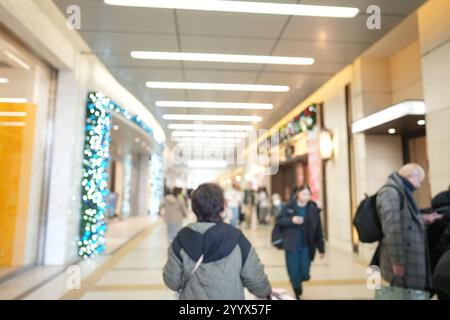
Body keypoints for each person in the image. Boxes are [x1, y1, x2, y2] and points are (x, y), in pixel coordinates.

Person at [163, 183, 272, 300]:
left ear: (194, 208)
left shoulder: (182, 238)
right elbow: (257, 282)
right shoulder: (237, 238)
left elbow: (172, 281)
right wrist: (265, 291)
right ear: (222, 206)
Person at [376, 163, 443, 293]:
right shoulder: (391, 192)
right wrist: (397, 261)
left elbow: (405, 220)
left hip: (410, 256)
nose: (420, 184)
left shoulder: (403, 191)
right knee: (403, 293)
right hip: (403, 258)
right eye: (419, 179)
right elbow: (392, 229)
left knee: (410, 292)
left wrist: (423, 218)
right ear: (409, 176)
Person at [276, 185, 325, 299]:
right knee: (293, 271)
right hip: (291, 244)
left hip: (306, 246)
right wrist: (291, 220)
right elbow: (279, 220)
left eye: (308, 194)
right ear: (298, 194)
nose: (306, 196)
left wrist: (321, 248)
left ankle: (300, 280)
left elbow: (318, 229)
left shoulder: (313, 208)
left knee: (304, 273)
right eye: (304, 194)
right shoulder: (289, 206)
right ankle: (297, 289)